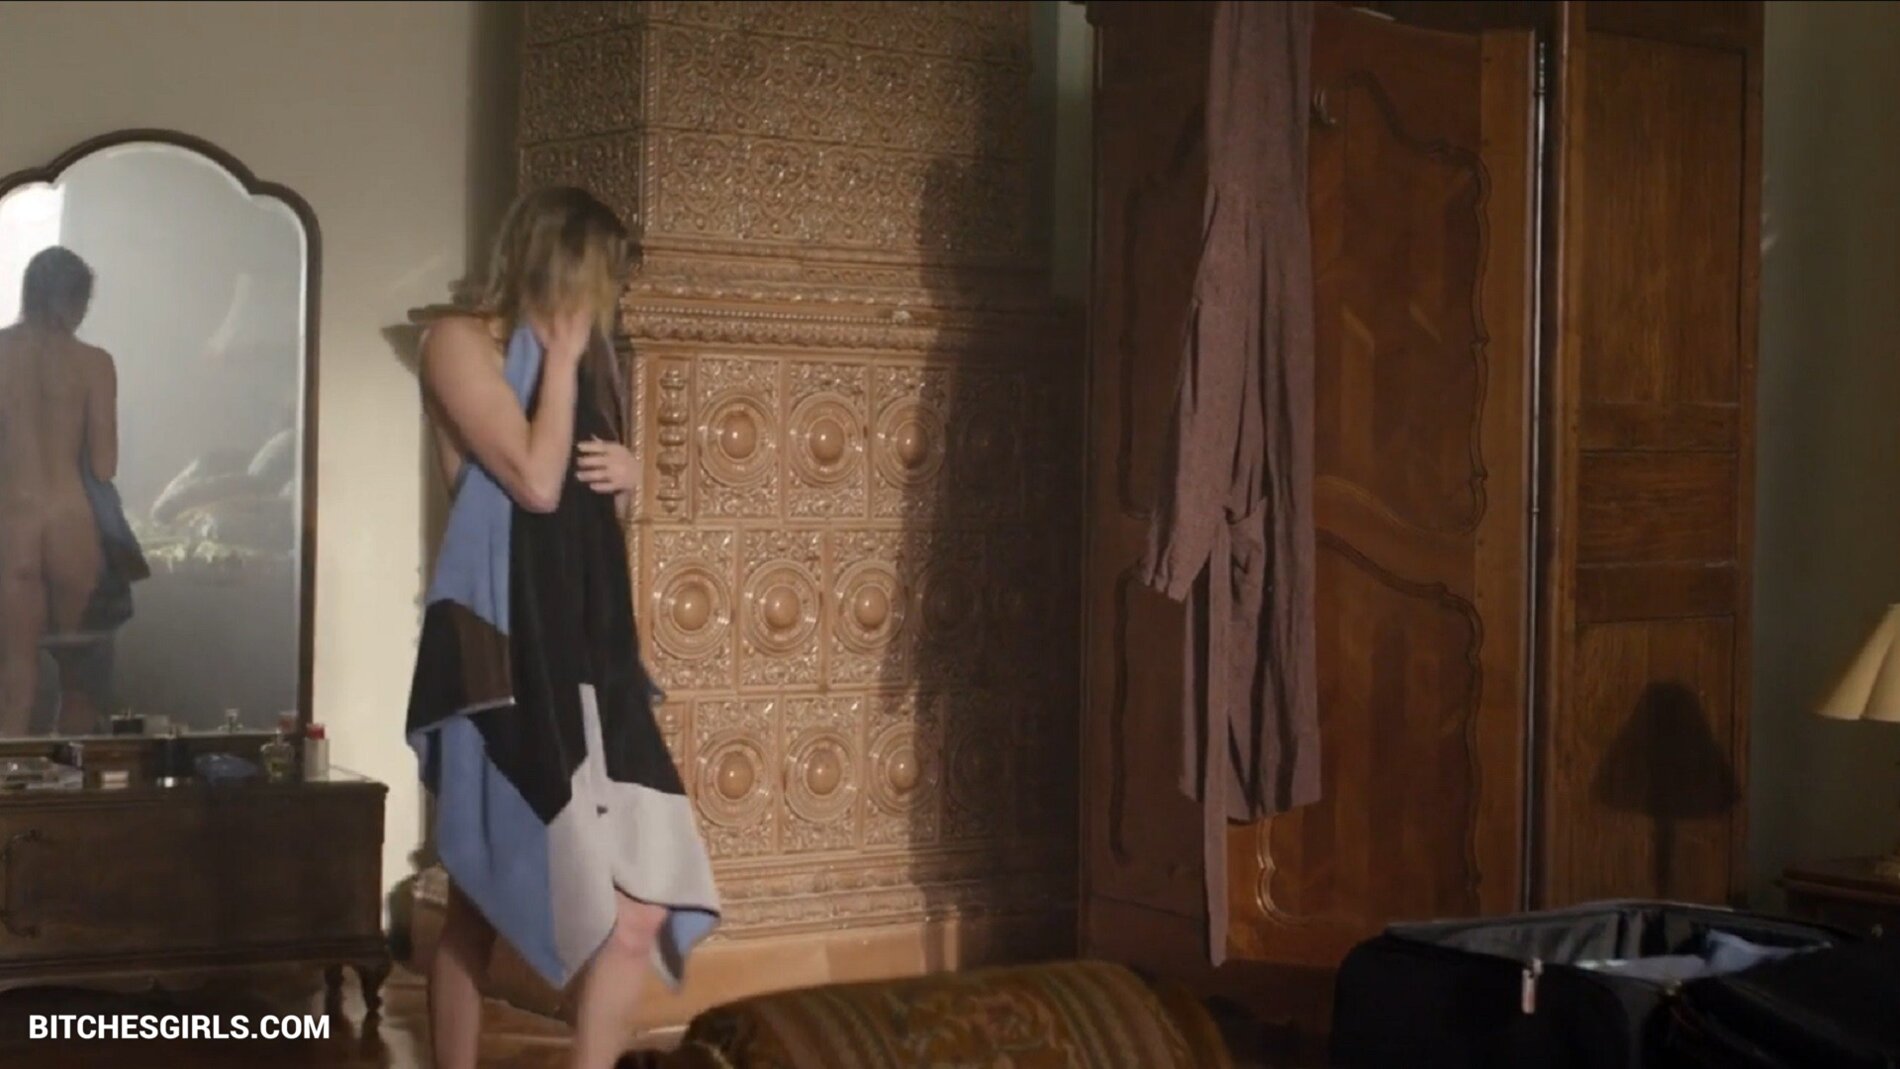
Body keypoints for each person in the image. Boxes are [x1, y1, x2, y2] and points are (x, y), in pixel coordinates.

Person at [406, 187, 719, 1069]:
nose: (606, 300)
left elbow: (575, 526)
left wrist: (627, 478)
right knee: (478, 896)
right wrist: (565, 360)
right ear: (562, 264)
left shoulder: (578, 361)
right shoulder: (459, 342)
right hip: (496, 646)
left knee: (642, 906)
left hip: (584, 651)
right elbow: (535, 484)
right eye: (601, 277)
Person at [0, 246, 120, 735]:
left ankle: (9, 777)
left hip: (12, 527)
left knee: (16, 679)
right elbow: (104, 466)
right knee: (78, 686)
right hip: (72, 525)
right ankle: (71, 778)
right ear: (75, 301)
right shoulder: (94, 364)